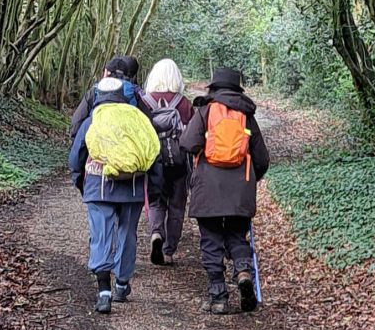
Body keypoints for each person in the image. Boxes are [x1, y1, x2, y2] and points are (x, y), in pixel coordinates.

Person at [68, 54, 160, 312]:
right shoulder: (138, 119)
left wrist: (80, 182)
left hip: (98, 184)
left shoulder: (94, 118)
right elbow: (153, 151)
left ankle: (103, 292)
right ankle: (121, 284)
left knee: (101, 236)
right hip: (132, 185)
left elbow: (76, 155)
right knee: (127, 233)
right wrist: (154, 187)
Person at [182, 64, 270, 313]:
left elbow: (188, 143)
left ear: (214, 87)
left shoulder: (205, 112)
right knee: (236, 235)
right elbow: (262, 158)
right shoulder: (246, 116)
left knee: (211, 241)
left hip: (207, 190)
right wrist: (252, 179)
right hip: (239, 190)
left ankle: (218, 297)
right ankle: (243, 273)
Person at [142, 58, 194, 266]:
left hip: (154, 159)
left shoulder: (145, 102)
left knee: (155, 200)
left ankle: (156, 233)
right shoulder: (183, 103)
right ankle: (169, 249)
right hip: (179, 161)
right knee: (177, 205)